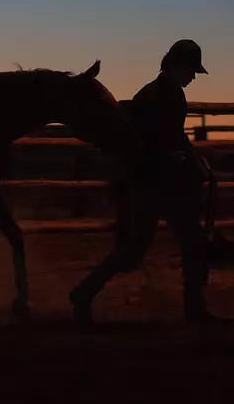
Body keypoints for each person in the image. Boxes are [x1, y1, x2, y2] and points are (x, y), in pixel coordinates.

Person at [70, 39, 226, 323]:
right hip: (155, 182)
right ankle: (84, 292)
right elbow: (151, 142)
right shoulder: (160, 95)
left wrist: (192, 160)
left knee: (173, 244)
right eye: (191, 70)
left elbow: (174, 137)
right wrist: (175, 159)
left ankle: (85, 292)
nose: (193, 76)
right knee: (153, 248)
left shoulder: (163, 92)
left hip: (157, 182)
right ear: (177, 66)